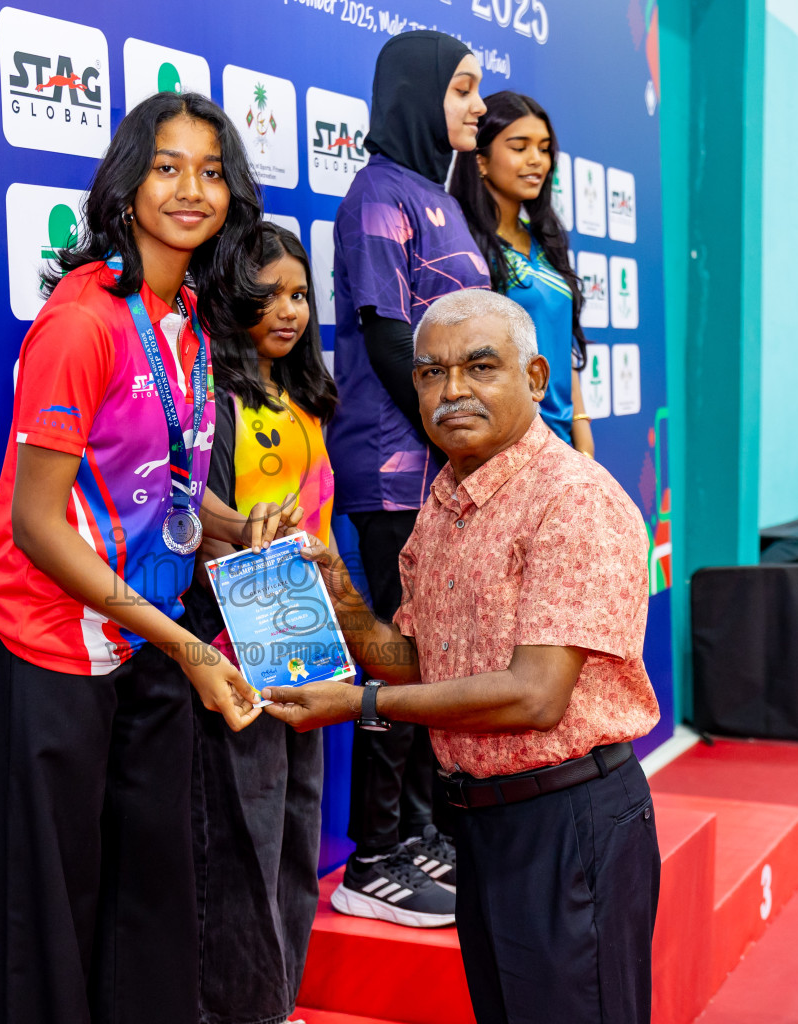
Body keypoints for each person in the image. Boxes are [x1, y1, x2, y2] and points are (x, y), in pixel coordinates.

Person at [0, 91, 302, 1024]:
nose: (191, 189)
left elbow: (166, 478)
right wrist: (188, 648)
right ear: (126, 187)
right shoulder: (82, 322)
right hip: (51, 646)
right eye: (167, 167)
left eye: (211, 172)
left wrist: (241, 527)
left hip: (143, 639)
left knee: (151, 897)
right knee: (46, 917)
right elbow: (40, 525)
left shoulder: (189, 315)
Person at [266, 289, 662, 1024]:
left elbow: (535, 695)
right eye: (430, 373)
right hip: (481, 825)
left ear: (535, 378)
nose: (452, 391)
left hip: (570, 824)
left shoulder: (574, 498)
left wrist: (359, 705)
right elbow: (419, 665)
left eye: (480, 367)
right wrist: (338, 591)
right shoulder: (446, 499)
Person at [326, 28, 492, 927]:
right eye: (462, 88)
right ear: (419, 93)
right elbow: (390, 337)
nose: (478, 106)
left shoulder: (444, 196)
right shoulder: (378, 194)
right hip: (396, 468)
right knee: (396, 654)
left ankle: (422, 831)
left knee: (435, 656)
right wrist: (457, 433)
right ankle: (373, 857)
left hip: (444, 467)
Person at [182, 222, 337, 1024]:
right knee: (247, 836)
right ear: (228, 297)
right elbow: (195, 528)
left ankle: (278, 1003)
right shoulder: (211, 399)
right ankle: (246, 1012)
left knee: (296, 832)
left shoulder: (304, 397)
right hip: (234, 631)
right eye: (267, 293)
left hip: (307, 629)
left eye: (300, 294)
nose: (288, 310)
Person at [449, 90, 594, 455]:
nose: (537, 161)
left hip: (562, 442)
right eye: (519, 147)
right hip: (504, 444)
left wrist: (581, 427)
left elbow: (561, 341)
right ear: (480, 159)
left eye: (544, 149)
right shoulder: (464, 246)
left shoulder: (546, 242)